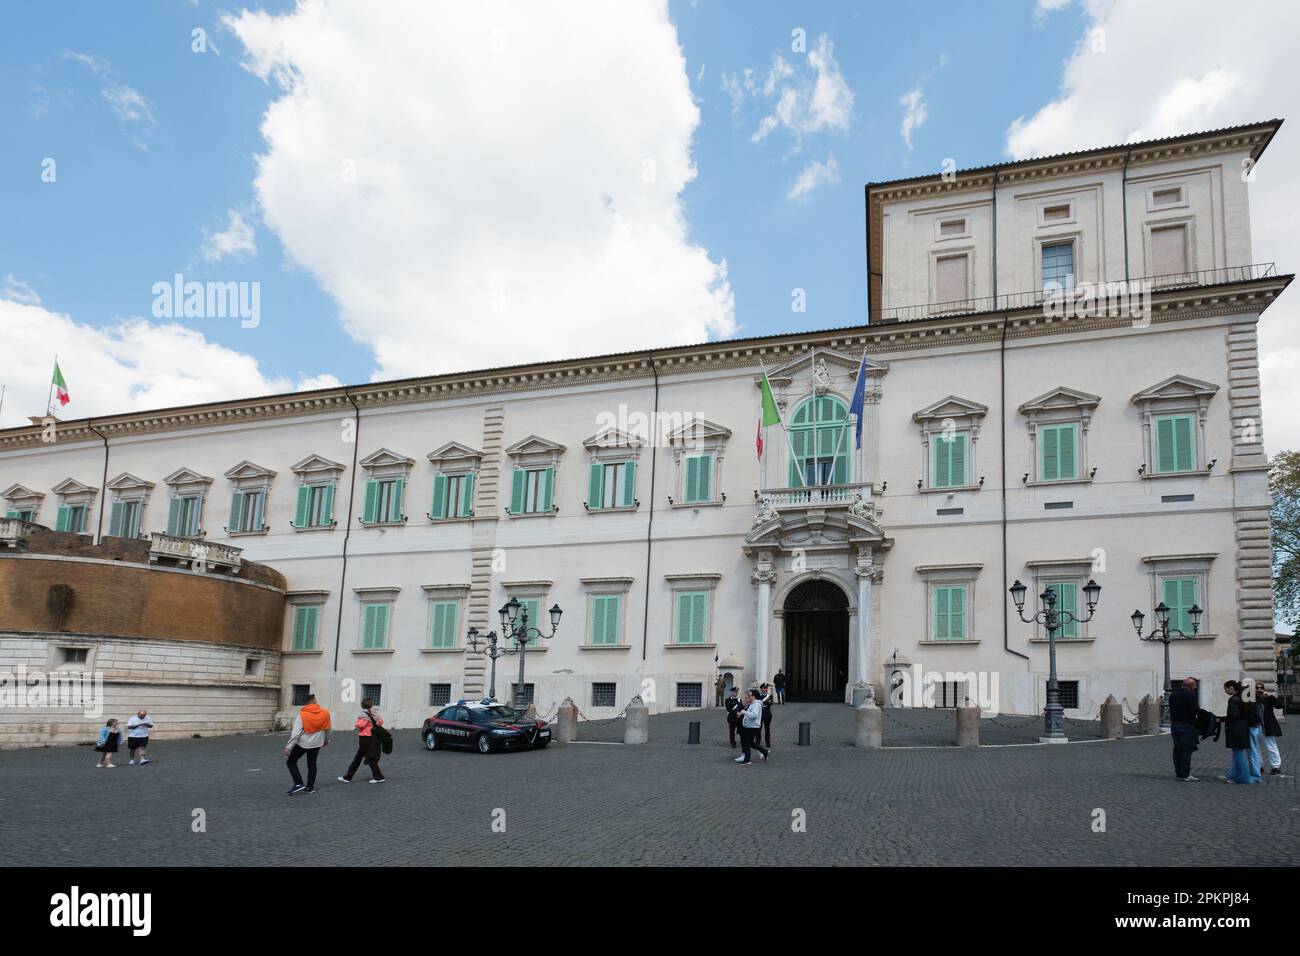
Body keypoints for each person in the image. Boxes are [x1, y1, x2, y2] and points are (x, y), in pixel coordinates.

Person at [284, 694, 331, 795]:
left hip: (304, 743)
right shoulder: (325, 713)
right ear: (313, 700)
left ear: (305, 703)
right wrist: (326, 740)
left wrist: (288, 747)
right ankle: (310, 787)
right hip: (317, 743)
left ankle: (298, 783)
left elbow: (295, 733)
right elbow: (327, 728)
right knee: (312, 764)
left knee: (291, 762)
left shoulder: (302, 715)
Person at [338, 699, 386, 784]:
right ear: (371, 705)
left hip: (365, 738)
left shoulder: (363, 714)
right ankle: (348, 777)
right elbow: (381, 721)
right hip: (372, 737)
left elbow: (360, 725)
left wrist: (359, 725)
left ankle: (379, 777)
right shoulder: (374, 712)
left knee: (366, 758)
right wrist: (373, 726)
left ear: (362, 705)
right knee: (359, 758)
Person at [1222, 681, 1260, 784]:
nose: (1225, 691)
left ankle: (1244, 777)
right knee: (1238, 754)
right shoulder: (1243, 699)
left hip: (1236, 729)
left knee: (1239, 754)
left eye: (1225, 689)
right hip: (1243, 728)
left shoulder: (1233, 700)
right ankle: (1235, 775)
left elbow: (1233, 716)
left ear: (1231, 687)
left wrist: (1222, 719)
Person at [1167, 677, 1201, 781]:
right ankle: (1184, 774)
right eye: (1195, 686)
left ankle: (1179, 773)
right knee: (1186, 750)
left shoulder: (1172, 695)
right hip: (1186, 725)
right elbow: (1196, 710)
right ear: (1191, 686)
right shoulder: (1189, 695)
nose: (1195, 688)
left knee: (1177, 749)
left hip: (1174, 725)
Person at [1255, 681, 1285, 776]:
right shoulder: (1252, 699)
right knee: (1255, 748)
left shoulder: (1268, 698)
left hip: (1267, 726)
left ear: (1264, 689)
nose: (1259, 689)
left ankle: (1276, 766)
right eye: (1257, 688)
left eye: (1261, 688)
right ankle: (1259, 766)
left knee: (1271, 746)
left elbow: (1280, 705)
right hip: (1255, 726)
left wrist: (1271, 696)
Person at [734, 689, 769, 765]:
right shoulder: (753, 704)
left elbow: (754, 715)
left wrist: (744, 712)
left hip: (752, 726)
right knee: (751, 743)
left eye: (750, 696)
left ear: (754, 696)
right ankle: (764, 752)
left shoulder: (756, 704)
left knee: (747, 743)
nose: (748, 697)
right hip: (750, 726)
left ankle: (747, 760)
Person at [759, 682, 774, 747]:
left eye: (766, 688)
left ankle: (768, 743)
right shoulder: (758, 696)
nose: (766, 689)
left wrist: (764, 705)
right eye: (764, 688)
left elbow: (770, 704)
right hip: (760, 715)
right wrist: (765, 704)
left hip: (768, 715)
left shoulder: (770, 696)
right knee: (758, 729)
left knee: (767, 729)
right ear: (761, 689)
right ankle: (758, 742)